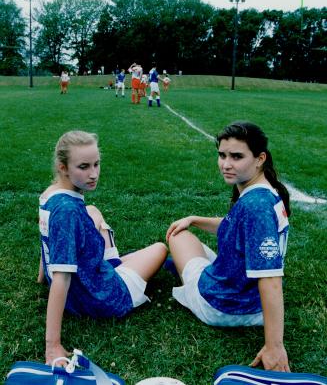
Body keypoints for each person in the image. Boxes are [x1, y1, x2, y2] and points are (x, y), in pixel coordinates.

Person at [166, 121, 291, 372]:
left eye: (237, 156)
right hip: (251, 299)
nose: (226, 164)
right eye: (222, 155)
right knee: (192, 237)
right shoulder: (267, 191)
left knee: (177, 239)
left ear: (260, 159)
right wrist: (194, 220)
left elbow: (271, 279)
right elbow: (234, 225)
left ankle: (187, 279)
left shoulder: (255, 206)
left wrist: (274, 347)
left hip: (224, 306)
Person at [38, 130, 167, 366]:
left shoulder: (50, 194)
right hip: (101, 296)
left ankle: (117, 265)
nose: (93, 174)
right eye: (84, 166)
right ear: (63, 167)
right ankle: (119, 268)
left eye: (96, 164)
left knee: (94, 211)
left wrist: (41, 276)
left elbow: (45, 238)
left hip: (88, 277)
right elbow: (62, 278)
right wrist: (52, 346)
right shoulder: (67, 211)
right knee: (160, 248)